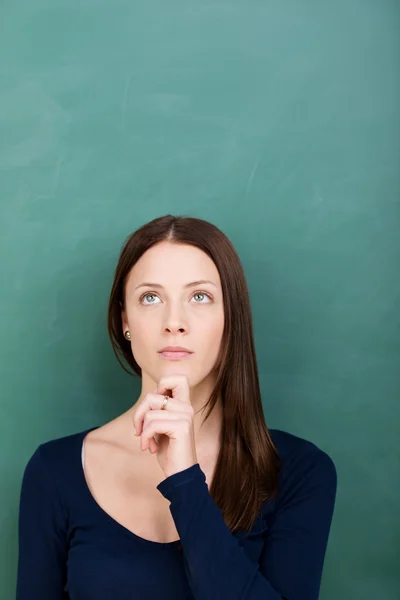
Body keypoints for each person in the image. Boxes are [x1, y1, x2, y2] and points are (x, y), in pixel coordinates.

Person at [16, 214, 337, 599]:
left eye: (199, 296)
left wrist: (186, 480)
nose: (174, 322)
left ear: (230, 318)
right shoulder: (55, 471)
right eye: (150, 297)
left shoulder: (299, 471)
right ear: (125, 320)